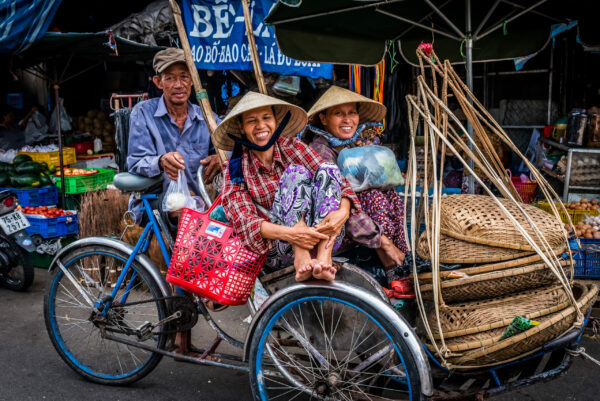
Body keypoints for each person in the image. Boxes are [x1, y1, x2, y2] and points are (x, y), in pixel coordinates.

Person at [216, 91, 364, 282]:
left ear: (275, 121)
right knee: (296, 173)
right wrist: (294, 235)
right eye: (252, 121)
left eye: (266, 118)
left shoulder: (292, 146)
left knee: (327, 168)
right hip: (280, 247)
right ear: (241, 127)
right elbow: (243, 221)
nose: (261, 125)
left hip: (322, 236)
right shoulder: (235, 168)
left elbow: (341, 184)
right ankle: (301, 258)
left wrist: (342, 212)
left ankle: (323, 257)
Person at [305, 85, 408, 286]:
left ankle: (402, 259)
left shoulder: (357, 144)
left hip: (360, 222)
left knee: (391, 195)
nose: (347, 119)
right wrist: (383, 242)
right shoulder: (320, 151)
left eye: (352, 112)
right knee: (373, 197)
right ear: (324, 119)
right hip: (332, 225)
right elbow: (337, 204)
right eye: (338, 114)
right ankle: (392, 265)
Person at [127, 48, 221, 224]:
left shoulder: (207, 117)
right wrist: (160, 162)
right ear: (158, 82)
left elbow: (230, 146)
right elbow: (136, 162)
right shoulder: (143, 113)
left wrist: (220, 158)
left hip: (198, 203)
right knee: (185, 211)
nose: (178, 84)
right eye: (170, 78)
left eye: (184, 77)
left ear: (192, 80)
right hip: (154, 200)